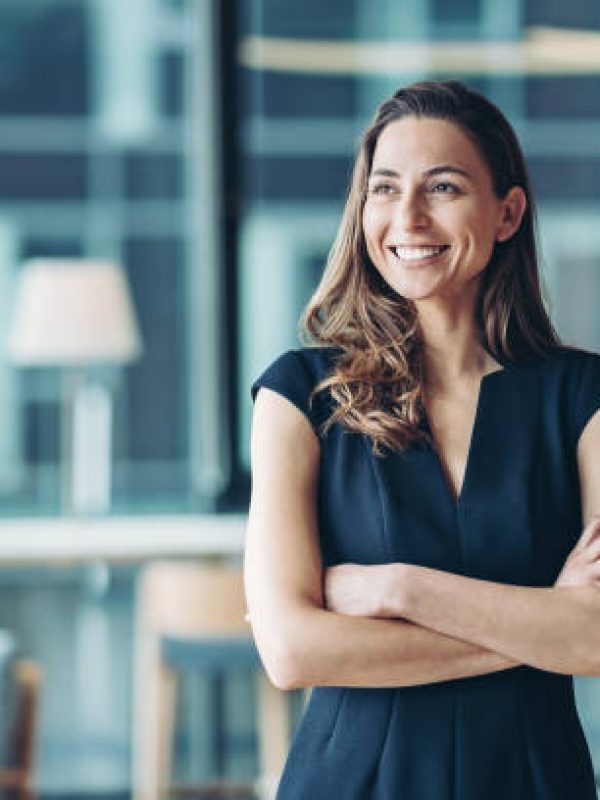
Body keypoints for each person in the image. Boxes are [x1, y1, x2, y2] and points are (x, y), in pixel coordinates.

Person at [244, 79, 600, 799]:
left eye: (442, 187)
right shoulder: (299, 396)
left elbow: (593, 638)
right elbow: (290, 650)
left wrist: (394, 588)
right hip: (351, 784)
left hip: (533, 781)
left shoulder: (583, 399)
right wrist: (535, 627)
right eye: (383, 189)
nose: (406, 216)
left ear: (507, 213)